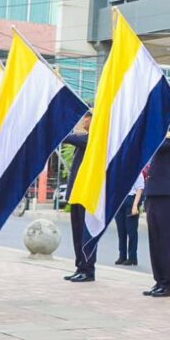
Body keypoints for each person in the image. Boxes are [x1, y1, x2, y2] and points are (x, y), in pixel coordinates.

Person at [142, 118, 170, 298]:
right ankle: (159, 280)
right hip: (155, 193)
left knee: (168, 241)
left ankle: (169, 283)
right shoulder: (163, 131)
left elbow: (156, 144)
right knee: (156, 240)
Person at [63, 110, 96, 282]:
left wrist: (60, 127)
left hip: (86, 193)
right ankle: (80, 266)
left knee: (85, 233)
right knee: (77, 232)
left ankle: (88, 269)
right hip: (76, 193)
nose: (84, 120)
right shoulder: (85, 138)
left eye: (87, 117)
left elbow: (69, 138)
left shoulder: (93, 138)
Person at [115, 169, 144, 266]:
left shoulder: (136, 170)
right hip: (119, 201)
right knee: (121, 231)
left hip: (131, 200)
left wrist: (135, 205)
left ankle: (132, 257)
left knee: (131, 231)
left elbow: (140, 189)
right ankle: (122, 256)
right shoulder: (119, 169)